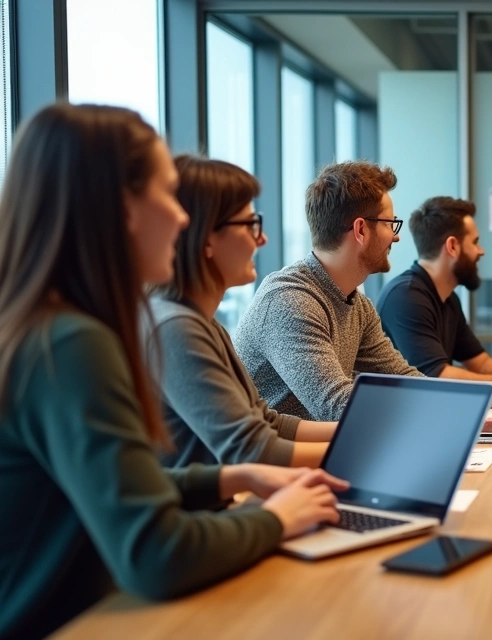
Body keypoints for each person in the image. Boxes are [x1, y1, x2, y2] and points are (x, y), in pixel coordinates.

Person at [0, 104, 347, 639]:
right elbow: (156, 554)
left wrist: (230, 478)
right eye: (166, 194)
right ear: (120, 208)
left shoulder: (46, 326)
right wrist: (278, 518)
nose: (182, 218)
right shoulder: (73, 343)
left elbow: (115, 482)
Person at [147, 155, 337, 468]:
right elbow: (251, 450)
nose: (261, 238)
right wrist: (367, 449)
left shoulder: (203, 323)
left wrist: (357, 433)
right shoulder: (176, 328)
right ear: (207, 237)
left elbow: (267, 422)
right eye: (250, 224)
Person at [234, 161, 436, 422]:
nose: (395, 237)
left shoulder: (358, 306)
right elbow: (336, 407)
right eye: (390, 224)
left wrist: (454, 405)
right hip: (281, 448)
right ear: (361, 230)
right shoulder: (290, 301)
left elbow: (402, 379)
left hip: (321, 445)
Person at [377, 196, 492, 407]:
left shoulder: (448, 298)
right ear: (452, 246)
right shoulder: (405, 297)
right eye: (475, 242)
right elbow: (435, 376)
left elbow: (480, 362)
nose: (481, 251)